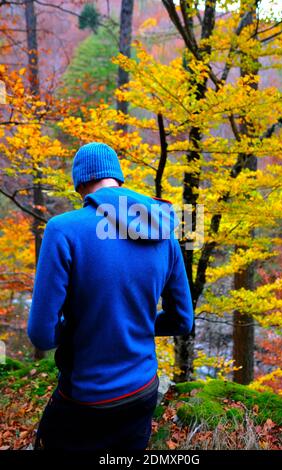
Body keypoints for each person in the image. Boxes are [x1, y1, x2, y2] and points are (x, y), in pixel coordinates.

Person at [27, 142, 194, 451]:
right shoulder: (163, 228)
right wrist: (135, 322)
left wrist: (87, 325)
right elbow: (182, 321)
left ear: (80, 185)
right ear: (118, 179)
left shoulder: (63, 230)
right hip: (143, 390)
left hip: (86, 398)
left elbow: (41, 334)